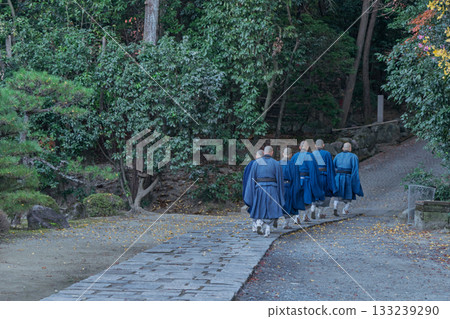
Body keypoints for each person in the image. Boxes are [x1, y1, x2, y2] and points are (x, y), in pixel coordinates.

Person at [244, 146, 284, 237]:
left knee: (259, 207)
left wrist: (250, 193)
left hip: (259, 189)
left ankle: (259, 222)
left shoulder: (256, 163)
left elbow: (251, 179)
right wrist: (280, 193)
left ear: (264, 152)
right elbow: (279, 180)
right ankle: (268, 228)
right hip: (272, 189)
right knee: (271, 208)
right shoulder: (276, 163)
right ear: (272, 152)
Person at [290, 141, 324, 223]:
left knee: (297, 198)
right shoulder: (310, 156)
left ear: (299, 147)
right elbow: (314, 171)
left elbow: (291, 169)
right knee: (308, 199)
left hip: (297, 180)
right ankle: (305, 216)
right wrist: (314, 183)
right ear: (308, 148)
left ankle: (297, 217)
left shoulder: (295, 156)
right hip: (307, 180)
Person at [333, 142, 364, 216]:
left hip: (338, 177)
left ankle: (335, 207)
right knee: (349, 195)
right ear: (350, 149)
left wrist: (334, 177)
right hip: (348, 177)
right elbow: (355, 170)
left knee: (337, 195)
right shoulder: (353, 157)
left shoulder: (337, 156)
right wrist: (355, 181)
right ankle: (345, 210)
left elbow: (333, 168)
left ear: (343, 148)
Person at [310, 139, 336, 219]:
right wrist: (332, 180)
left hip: (315, 177)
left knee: (315, 193)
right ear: (323, 145)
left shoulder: (312, 154)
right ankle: (320, 213)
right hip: (324, 176)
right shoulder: (327, 154)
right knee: (326, 194)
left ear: (315, 146)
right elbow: (330, 167)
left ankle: (313, 207)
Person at [242, 150, 264, 232]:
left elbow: (246, 178)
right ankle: (260, 221)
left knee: (253, 205)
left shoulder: (251, 164)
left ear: (256, 155)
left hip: (252, 188)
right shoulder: (266, 164)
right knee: (262, 206)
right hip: (263, 188)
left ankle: (255, 222)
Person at [279, 147, 297, 229]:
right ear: (291, 155)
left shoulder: (277, 163)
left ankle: (275, 219)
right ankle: (286, 224)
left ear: (283, 153)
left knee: (278, 203)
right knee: (288, 204)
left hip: (278, 186)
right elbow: (295, 178)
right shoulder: (293, 165)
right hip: (288, 186)